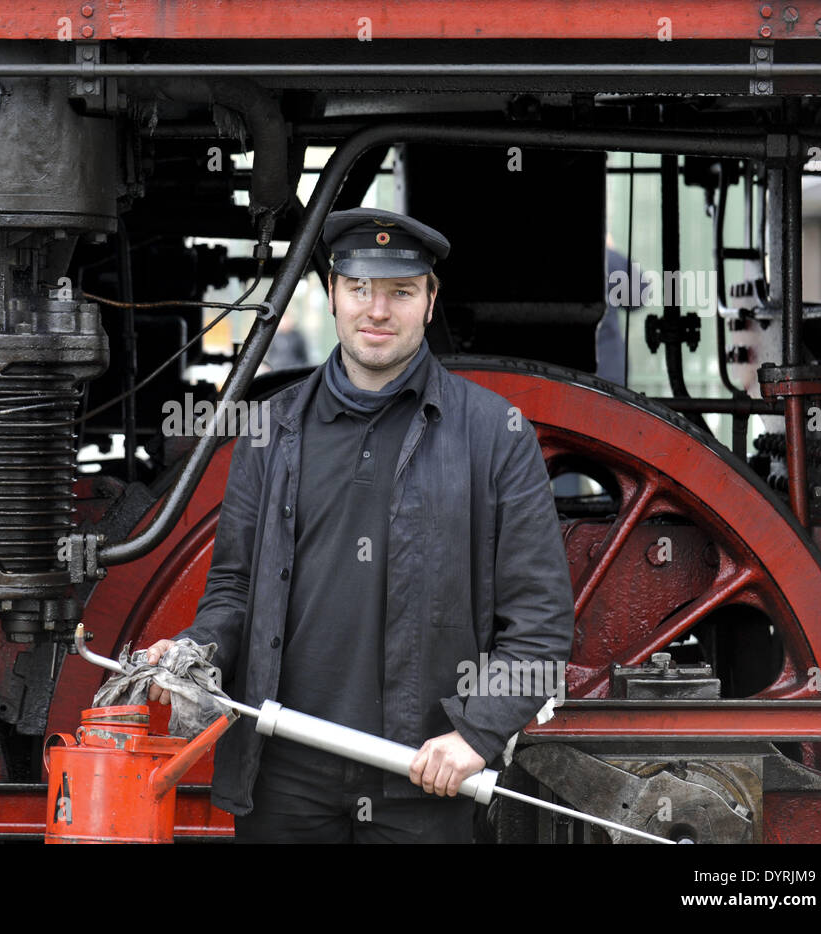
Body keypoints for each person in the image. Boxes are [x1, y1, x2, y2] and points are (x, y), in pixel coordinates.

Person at [146, 207, 575, 843]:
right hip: (283, 769)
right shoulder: (270, 431)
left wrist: (476, 733)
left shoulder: (492, 435)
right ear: (331, 293)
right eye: (359, 289)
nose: (377, 311)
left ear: (430, 302)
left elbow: (540, 619)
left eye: (400, 292)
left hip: (422, 773)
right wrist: (198, 650)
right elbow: (234, 588)